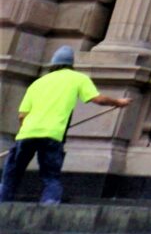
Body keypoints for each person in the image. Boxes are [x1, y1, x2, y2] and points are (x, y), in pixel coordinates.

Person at [4, 46, 129, 206]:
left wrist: (29, 130)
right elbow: (98, 99)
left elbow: (22, 115)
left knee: (12, 174)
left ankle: (2, 201)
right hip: (53, 135)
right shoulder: (78, 78)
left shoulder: (38, 83)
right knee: (50, 177)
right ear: (71, 64)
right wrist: (118, 102)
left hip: (26, 134)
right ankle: (49, 204)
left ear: (53, 64)